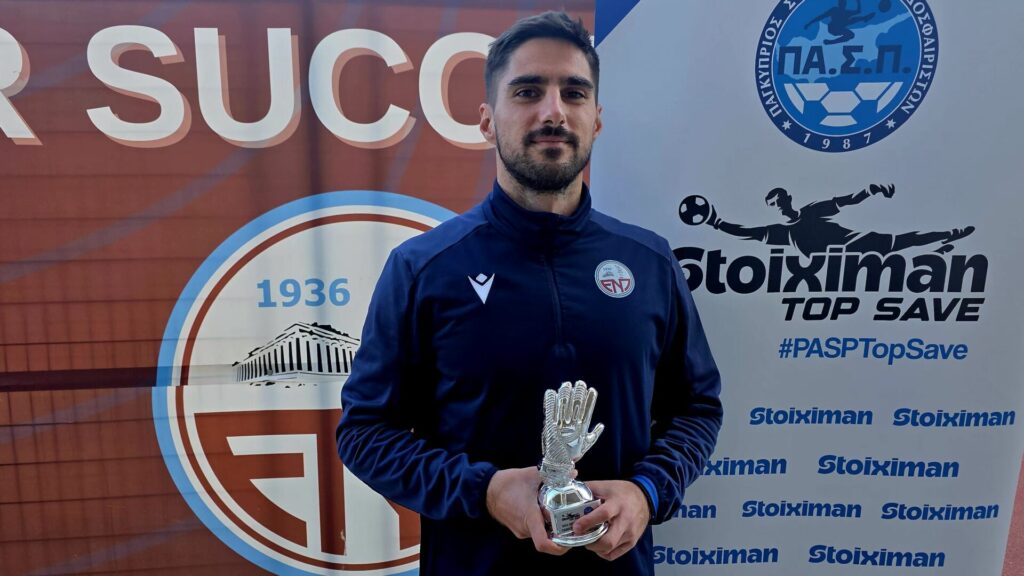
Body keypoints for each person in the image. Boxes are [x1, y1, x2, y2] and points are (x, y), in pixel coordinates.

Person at [336, 11, 722, 575]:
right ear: (487, 121)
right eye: (527, 91)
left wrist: (647, 491)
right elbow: (366, 434)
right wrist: (484, 491)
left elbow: (697, 406)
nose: (553, 112)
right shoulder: (423, 268)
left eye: (574, 93)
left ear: (597, 120)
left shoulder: (649, 261)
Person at [697, 184, 974, 257]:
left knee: (906, 240)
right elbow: (746, 232)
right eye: (774, 205)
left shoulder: (812, 211)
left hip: (859, 244)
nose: (779, 207)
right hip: (839, 265)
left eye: (781, 201)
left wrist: (871, 191)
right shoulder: (781, 233)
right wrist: (715, 222)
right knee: (903, 250)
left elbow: (848, 200)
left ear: (789, 198)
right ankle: (937, 250)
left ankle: (949, 234)